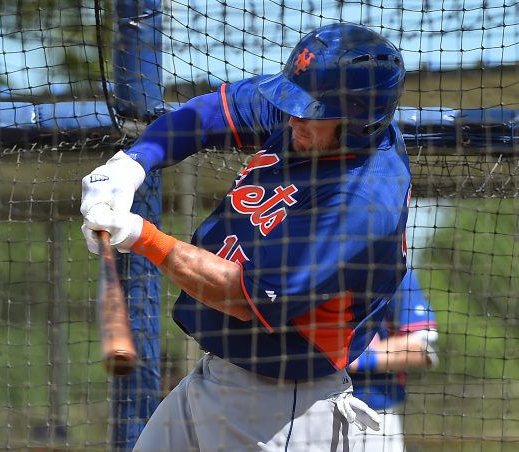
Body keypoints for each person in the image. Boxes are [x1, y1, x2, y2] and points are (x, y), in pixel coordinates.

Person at [81, 22, 410, 451]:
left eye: (311, 113)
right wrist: (132, 164)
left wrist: (141, 237)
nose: (294, 120)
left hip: (282, 407)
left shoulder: (362, 201)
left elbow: (244, 298)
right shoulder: (313, 121)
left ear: (360, 123)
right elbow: (207, 115)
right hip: (220, 375)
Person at [348, 269, 438, 452]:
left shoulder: (395, 270)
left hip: (375, 417)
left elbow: (422, 350)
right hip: (307, 406)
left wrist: (354, 358)